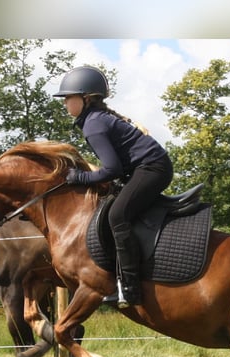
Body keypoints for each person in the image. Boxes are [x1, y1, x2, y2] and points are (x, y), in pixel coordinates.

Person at [53, 65, 173, 308]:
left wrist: (78, 178)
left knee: (118, 215)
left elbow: (111, 170)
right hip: (145, 168)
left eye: (68, 98)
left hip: (153, 169)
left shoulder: (93, 125)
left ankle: (129, 287)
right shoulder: (95, 120)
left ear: (85, 98)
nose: (65, 103)